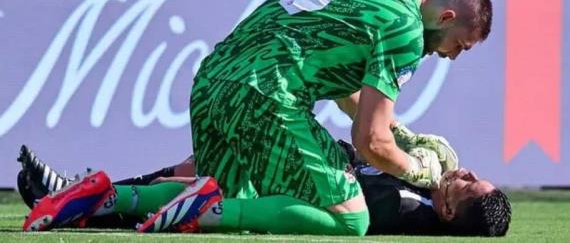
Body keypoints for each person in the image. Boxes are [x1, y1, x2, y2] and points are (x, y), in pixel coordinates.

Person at [23, 0, 493, 235]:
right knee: (350, 219)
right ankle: (202, 213)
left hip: (213, 79)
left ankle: (103, 198)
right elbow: (370, 143)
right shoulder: (408, 34)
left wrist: (401, 133)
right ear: (448, 16)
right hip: (264, 92)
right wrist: (421, 170)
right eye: (460, 45)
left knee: (226, 189)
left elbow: (345, 86)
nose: (452, 56)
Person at [18, 130, 511, 236]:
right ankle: (77, 197)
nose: (464, 173)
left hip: (296, 181)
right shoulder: (426, 186)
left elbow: (349, 184)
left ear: (448, 212)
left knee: (205, 173)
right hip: (309, 170)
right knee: (197, 168)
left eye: (468, 185)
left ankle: (76, 198)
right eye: (472, 174)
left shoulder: (406, 205)